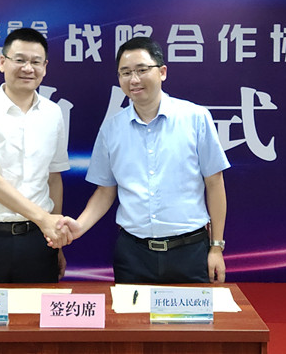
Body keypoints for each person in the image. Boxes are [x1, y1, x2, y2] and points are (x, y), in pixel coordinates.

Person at [56, 36, 230, 283]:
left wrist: (216, 247)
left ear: (162, 72)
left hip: (190, 251)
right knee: (130, 311)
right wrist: (79, 227)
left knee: (192, 311)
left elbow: (214, 182)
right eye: (125, 73)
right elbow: (105, 191)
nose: (134, 80)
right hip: (133, 254)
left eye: (141, 70)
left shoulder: (195, 118)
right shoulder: (112, 128)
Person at [0, 27, 72, 283]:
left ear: (45, 67)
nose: (28, 68)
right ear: (2, 62)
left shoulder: (53, 113)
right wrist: (44, 219)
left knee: (38, 310)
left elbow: (54, 178)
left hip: (38, 241)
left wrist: (55, 239)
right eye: (20, 60)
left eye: (36, 62)